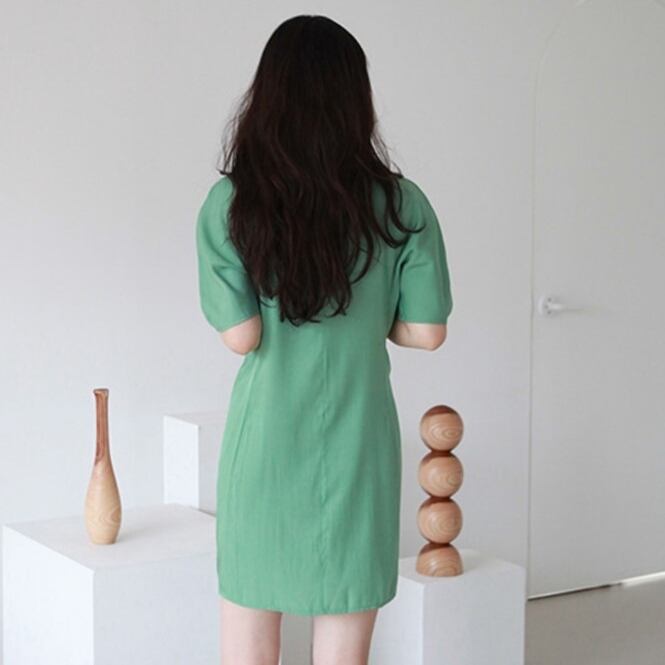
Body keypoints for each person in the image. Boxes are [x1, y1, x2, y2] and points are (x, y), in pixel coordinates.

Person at [195, 14, 453, 665]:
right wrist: (370, 319)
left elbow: (242, 335)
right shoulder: (402, 204)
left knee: (248, 635)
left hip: (265, 443)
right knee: (344, 639)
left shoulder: (232, 204)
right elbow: (426, 332)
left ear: (267, 96)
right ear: (354, 100)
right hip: (358, 441)